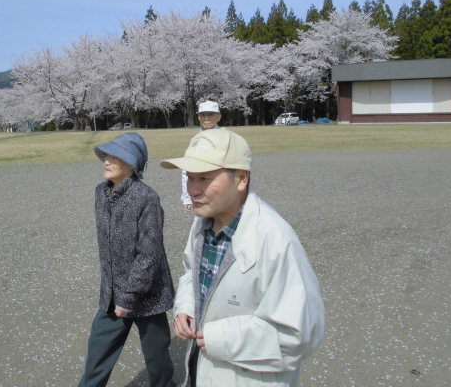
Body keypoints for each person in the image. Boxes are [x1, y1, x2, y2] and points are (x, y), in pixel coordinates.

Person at [160, 129, 325, 387]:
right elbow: (191, 273)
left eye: (204, 178)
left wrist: (219, 338)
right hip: (201, 372)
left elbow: (300, 335)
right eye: (189, 177)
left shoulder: (275, 239)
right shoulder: (202, 224)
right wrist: (186, 307)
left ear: (241, 179)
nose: (193, 189)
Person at [78, 132, 175, 387]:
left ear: (131, 163)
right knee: (98, 350)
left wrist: (129, 297)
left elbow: (149, 253)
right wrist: (116, 295)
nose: (106, 161)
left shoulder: (147, 198)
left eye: (115, 157)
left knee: (157, 356)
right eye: (106, 156)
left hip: (149, 292)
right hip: (112, 293)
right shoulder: (101, 193)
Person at [182, 100, 222, 212]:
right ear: (199, 117)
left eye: (210, 114)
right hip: (200, 192)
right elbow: (186, 170)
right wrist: (186, 198)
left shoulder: (227, 139)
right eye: (203, 115)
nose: (206, 118)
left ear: (219, 117)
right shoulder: (194, 141)